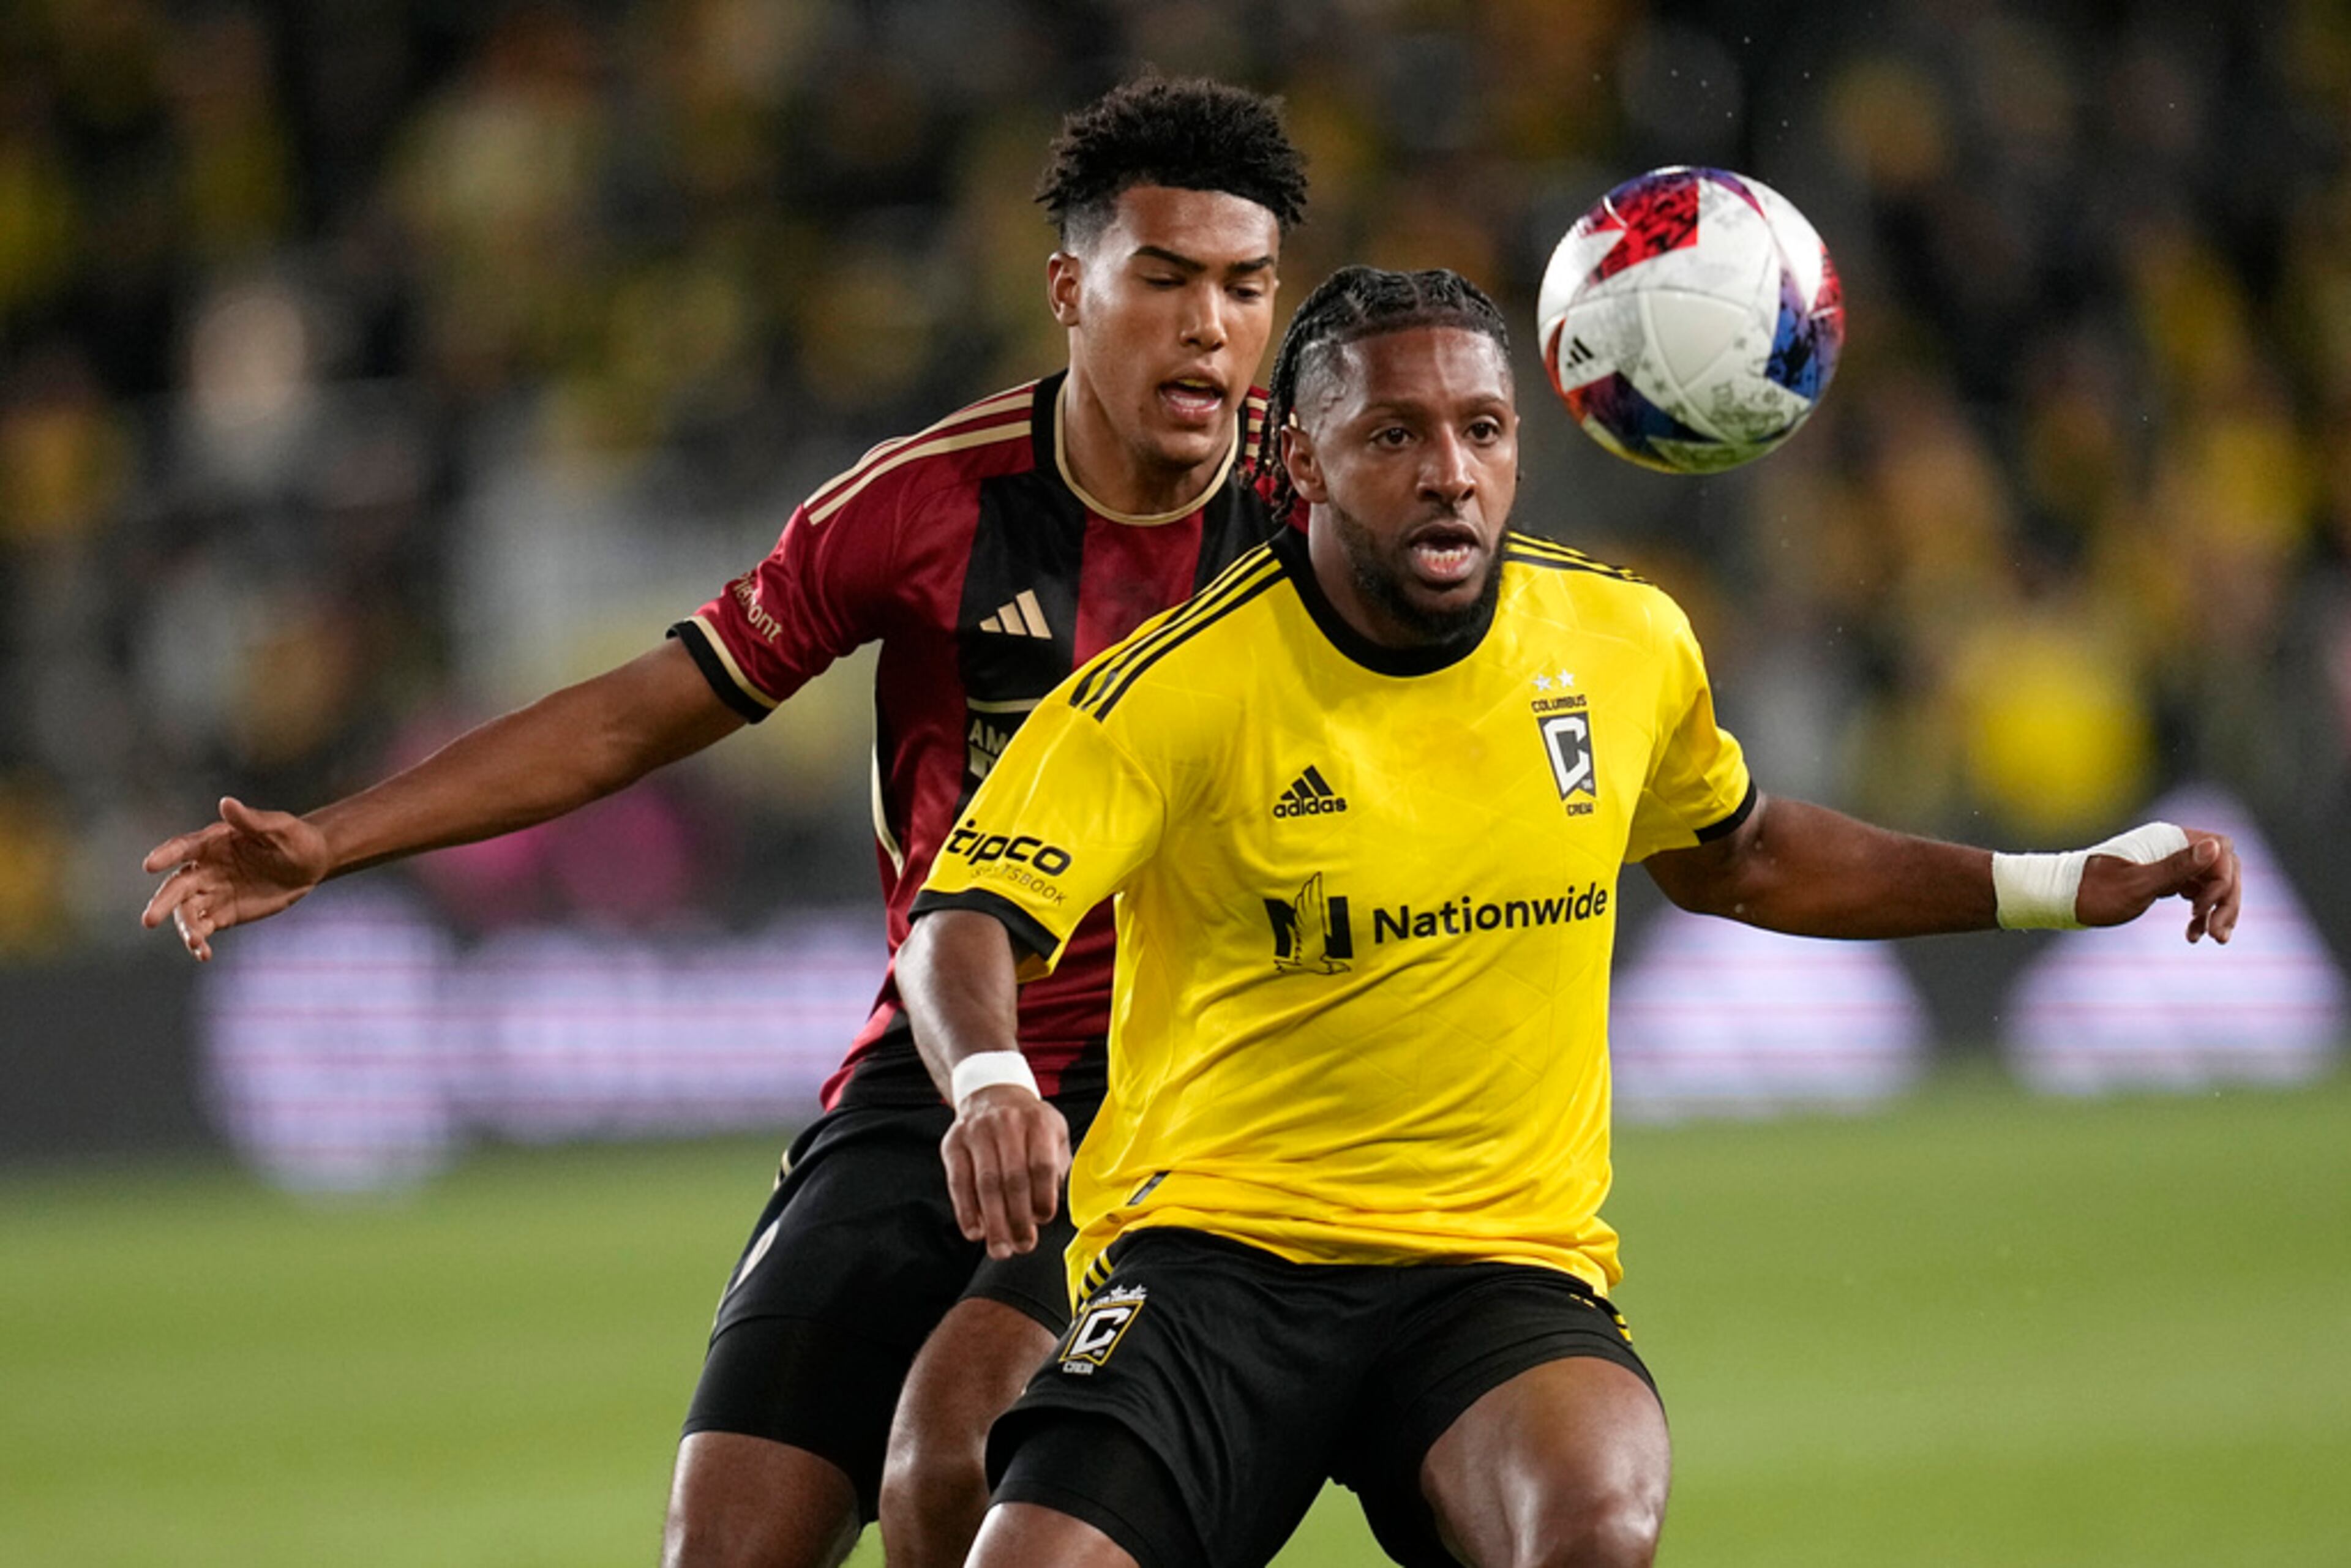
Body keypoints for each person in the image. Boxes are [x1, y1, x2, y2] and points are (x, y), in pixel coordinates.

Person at [895, 264, 2245, 1568]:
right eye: (1394, 435)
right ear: (1301, 464)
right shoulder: (1171, 690)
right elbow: (963, 918)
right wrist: (994, 1079)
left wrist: (2058, 885)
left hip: (1495, 1265)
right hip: (1214, 1261)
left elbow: (1746, 853)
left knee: (1594, 1520)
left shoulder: (1623, 640)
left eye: (1483, 430)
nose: (1451, 472)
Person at [138, 76, 1308, 1568]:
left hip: (1184, 1087)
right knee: (725, 1535)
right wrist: (332, 839)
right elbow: (640, 713)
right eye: (1166, 278)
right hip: (940, 1060)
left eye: (1247, 286)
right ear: (1072, 290)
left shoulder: (1319, 504)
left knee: (950, 1466)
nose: (1210, 323)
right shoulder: (924, 507)